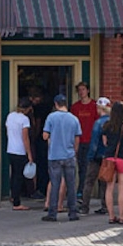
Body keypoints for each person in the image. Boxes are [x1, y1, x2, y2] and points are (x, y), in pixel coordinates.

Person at [40, 94, 81, 222]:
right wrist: (74, 151)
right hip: (69, 155)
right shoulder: (74, 119)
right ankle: (73, 213)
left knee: (55, 184)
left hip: (54, 156)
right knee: (71, 184)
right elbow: (77, 138)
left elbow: (45, 136)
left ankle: (52, 213)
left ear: (56, 104)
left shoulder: (51, 117)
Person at [100, 100, 123, 224]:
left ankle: (111, 216)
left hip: (109, 159)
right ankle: (121, 216)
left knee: (109, 188)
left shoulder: (106, 126)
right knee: (122, 189)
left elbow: (105, 143)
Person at [81, 97, 112, 215]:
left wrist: (90, 156)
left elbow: (94, 142)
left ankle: (85, 207)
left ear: (100, 108)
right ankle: (105, 206)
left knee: (89, 181)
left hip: (96, 156)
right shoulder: (113, 122)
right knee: (105, 182)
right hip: (108, 156)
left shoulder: (98, 123)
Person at [69, 81, 99, 198]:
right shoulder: (75, 107)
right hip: (79, 141)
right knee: (81, 167)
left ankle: (85, 192)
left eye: (83, 89)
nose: (81, 92)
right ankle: (80, 191)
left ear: (88, 91)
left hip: (91, 142)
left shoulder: (94, 106)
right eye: (79, 90)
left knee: (89, 169)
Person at [4, 98, 35, 210]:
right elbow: (25, 138)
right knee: (19, 176)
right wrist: (29, 154)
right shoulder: (24, 119)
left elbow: (8, 131)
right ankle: (17, 203)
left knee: (14, 175)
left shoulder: (10, 116)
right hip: (20, 150)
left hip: (10, 149)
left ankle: (13, 196)